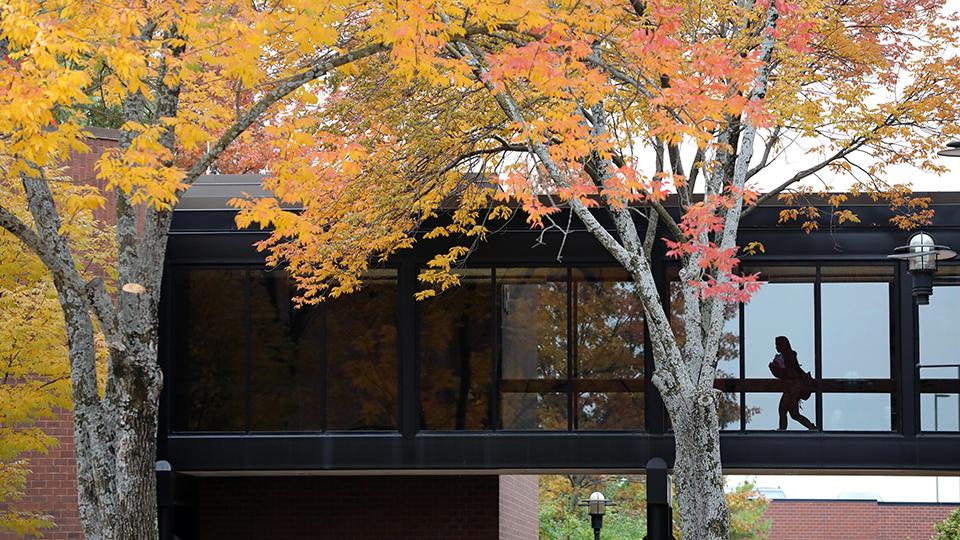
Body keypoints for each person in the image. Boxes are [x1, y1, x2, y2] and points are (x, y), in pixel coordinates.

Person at [768, 336, 816, 430]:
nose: (776, 347)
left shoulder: (789, 356)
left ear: (783, 345)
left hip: (792, 388)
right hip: (794, 388)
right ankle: (811, 427)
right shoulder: (788, 356)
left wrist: (776, 368)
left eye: (778, 345)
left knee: (782, 410)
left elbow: (791, 373)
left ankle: (782, 430)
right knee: (794, 415)